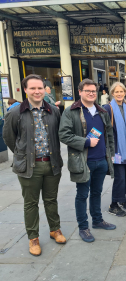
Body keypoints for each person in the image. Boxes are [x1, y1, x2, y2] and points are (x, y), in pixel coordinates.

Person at [3, 74, 66, 256]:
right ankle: (33, 237)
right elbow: (9, 137)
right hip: (29, 166)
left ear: (44, 89)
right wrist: (22, 155)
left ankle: (55, 229)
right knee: (31, 203)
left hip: (52, 164)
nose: (37, 91)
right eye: (33, 88)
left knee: (51, 200)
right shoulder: (15, 113)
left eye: (40, 88)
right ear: (25, 90)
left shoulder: (53, 110)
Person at [59, 78, 116, 243]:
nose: (91, 93)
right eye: (87, 91)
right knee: (82, 195)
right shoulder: (71, 111)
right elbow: (64, 134)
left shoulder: (102, 112)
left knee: (97, 192)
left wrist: (110, 154)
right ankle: (83, 227)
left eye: (93, 91)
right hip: (83, 162)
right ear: (80, 92)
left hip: (101, 160)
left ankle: (97, 220)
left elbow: (109, 135)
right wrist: (85, 142)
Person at [103, 82, 126, 217]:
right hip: (116, 149)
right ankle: (114, 204)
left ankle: (122, 199)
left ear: (125, 93)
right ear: (112, 93)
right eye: (117, 92)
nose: (119, 94)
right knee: (120, 177)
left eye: (121, 91)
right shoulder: (107, 108)